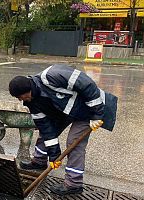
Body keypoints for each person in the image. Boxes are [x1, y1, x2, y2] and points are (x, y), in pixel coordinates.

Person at [8, 64, 117, 196]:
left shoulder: (52, 75)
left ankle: (74, 184)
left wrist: (97, 114)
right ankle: (39, 161)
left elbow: (87, 84)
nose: (22, 100)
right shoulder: (32, 102)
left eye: (22, 97)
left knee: (74, 142)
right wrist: (54, 156)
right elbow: (46, 129)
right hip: (64, 110)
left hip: (88, 109)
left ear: (29, 89)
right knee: (44, 134)